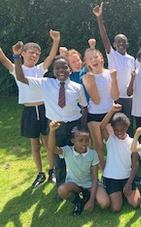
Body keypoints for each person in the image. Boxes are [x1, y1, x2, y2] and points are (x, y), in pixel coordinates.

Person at [13, 42, 88, 201]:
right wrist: (17, 57)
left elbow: (84, 107)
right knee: (58, 159)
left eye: (64, 67)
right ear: (53, 71)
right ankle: (61, 188)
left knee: (77, 157)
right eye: (58, 68)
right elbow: (20, 77)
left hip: (75, 126)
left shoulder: (77, 87)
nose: (61, 70)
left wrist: (83, 127)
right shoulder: (46, 83)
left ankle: (81, 185)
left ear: (69, 69)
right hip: (56, 127)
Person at [0, 30, 59, 188]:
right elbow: (3, 58)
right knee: (36, 144)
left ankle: (52, 170)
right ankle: (41, 173)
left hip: (45, 108)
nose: (34, 56)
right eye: (31, 53)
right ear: (23, 53)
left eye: (37, 54)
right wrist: (15, 54)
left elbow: (51, 57)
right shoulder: (16, 68)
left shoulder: (40, 69)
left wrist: (56, 41)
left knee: (48, 142)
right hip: (29, 111)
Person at [48, 121, 109, 216]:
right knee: (62, 190)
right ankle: (78, 202)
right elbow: (51, 148)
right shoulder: (67, 151)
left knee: (105, 204)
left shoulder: (93, 154)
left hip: (89, 184)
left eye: (87, 140)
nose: (84, 144)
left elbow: (94, 178)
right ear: (73, 141)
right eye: (80, 140)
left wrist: (92, 200)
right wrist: (52, 131)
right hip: (74, 184)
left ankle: (88, 195)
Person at [93, 2, 136, 136]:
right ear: (114, 44)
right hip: (115, 96)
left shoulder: (132, 59)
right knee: (116, 125)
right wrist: (99, 18)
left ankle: (129, 150)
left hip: (129, 98)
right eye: (119, 42)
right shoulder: (112, 55)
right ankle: (116, 148)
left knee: (128, 125)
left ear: (127, 44)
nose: (121, 44)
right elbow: (104, 37)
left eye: (124, 42)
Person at [82, 48, 119, 171]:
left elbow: (115, 96)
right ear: (87, 63)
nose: (94, 60)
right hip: (94, 115)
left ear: (101, 58)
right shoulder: (86, 77)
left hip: (110, 112)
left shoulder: (111, 73)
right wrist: (92, 82)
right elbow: (96, 100)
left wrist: (113, 79)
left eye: (96, 57)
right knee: (98, 145)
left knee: (113, 144)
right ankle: (104, 172)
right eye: (90, 58)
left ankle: (116, 169)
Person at [100, 104, 141, 212]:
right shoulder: (110, 139)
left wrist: (128, 183)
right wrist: (112, 111)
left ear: (127, 127)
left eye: (122, 129)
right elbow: (102, 126)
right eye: (116, 130)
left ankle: (125, 191)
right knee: (116, 208)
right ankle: (112, 191)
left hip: (126, 178)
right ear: (112, 129)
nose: (119, 132)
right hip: (111, 178)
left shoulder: (133, 142)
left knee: (136, 203)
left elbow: (135, 164)